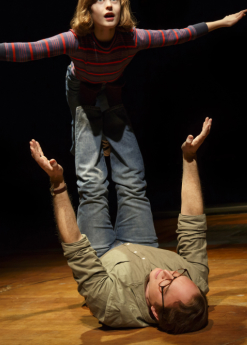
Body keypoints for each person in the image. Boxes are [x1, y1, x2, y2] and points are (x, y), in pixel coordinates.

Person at [0, 0, 246, 258]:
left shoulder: (133, 38)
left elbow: (181, 33)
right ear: (87, 9)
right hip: (81, 89)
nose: (108, 5)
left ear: (122, 6)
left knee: (131, 175)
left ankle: (142, 247)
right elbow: (25, 50)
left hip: (113, 90)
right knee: (92, 176)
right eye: (99, 0)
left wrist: (222, 22)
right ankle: (100, 240)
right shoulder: (74, 40)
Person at [30, 117, 213, 334]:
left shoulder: (113, 305)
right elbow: (192, 225)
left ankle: (84, 108)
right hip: (143, 243)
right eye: (177, 274)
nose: (165, 273)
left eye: (166, 285)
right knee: (133, 184)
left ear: (155, 312)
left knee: (92, 188)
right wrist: (189, 157)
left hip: (100, 256)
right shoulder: (195, 283)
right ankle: (115, 106)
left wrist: (58, 184)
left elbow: (76, 247)